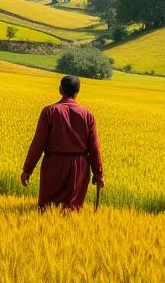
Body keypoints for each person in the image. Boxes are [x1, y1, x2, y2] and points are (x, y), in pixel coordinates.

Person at [21, 74, 104, 210]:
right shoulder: (88, 115)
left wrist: (27, 170)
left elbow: (38, 144)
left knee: (47, 208)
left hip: (54, 165)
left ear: (60, 89)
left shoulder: (49, 111)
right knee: (73, 208)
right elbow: (94, 148)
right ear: (77, 92)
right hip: (79, 168)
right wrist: (99, 174)